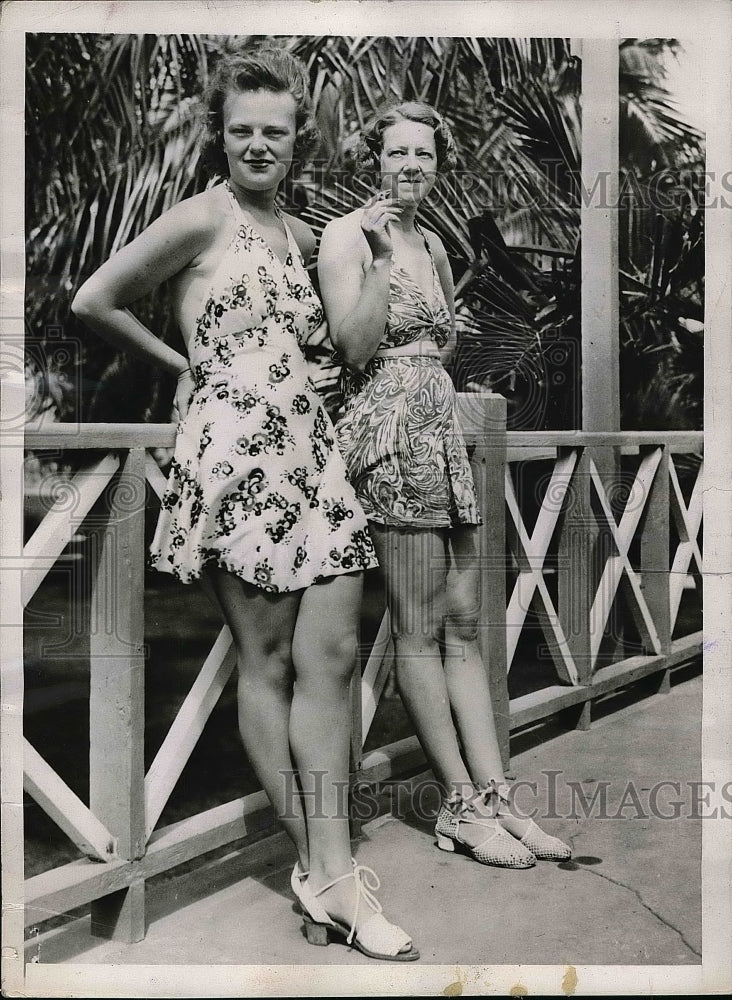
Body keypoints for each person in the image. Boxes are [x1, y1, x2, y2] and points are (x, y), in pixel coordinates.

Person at [72, 46, 418, 961]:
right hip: (235, 459)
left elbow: (343, 346)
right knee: (265, 665)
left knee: (334, 654)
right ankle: (328, 870)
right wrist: (186, 365)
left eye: (275, 130)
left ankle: (328, 869)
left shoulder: (302, 235)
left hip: (312, 455)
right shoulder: (203, 215)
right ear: (220, 137)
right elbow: (94, 298)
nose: (258, 144)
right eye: (241, 131)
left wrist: (378, 264)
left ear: (298, 138)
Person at [318, 101, 571, 869]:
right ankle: (458, 805)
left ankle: (495, 795)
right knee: (418, 626)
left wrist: (412, 265)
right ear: (375, 159)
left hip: (441, 433)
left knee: (464, 621)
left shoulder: (434, 240)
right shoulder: (348, 236)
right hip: (390, 437)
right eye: (396, 153)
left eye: (423, 156)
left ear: (437, 163)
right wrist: (383, 261)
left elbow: (447, 341)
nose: (409, 167)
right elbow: (354, 347)